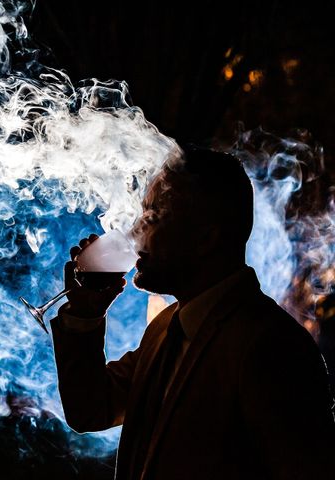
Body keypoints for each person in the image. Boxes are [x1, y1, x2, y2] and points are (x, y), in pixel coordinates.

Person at [51, 146, 335, 480]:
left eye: (153, 217)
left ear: (205, 238)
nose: (135, 233)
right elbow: (91, 410)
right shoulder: (165, 327)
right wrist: (85, 314)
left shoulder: (272, 346)